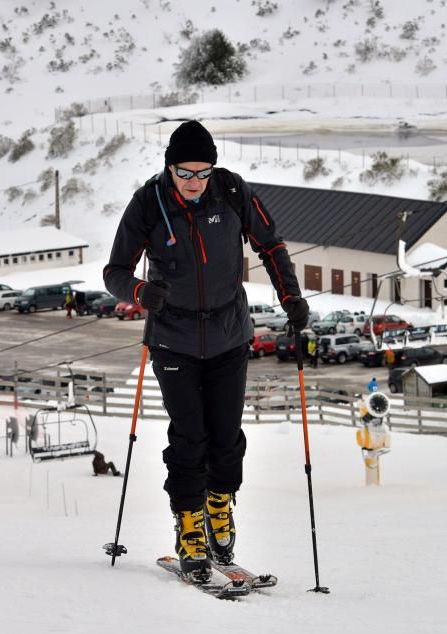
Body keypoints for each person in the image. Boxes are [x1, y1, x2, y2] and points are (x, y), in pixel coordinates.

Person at [103, 119, 307, 582]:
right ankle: (189, 526)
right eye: (186, 173)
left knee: (227, 438)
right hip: (173, 339)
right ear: (169, 168)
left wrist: (290, 297)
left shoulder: (232, 192)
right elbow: (115, 271)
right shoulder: (147, 204)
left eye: (203, 172)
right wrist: (139, 291)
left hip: (229, 335)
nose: (195, 183)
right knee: (189, 437)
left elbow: (270, 246)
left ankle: (219, 512)